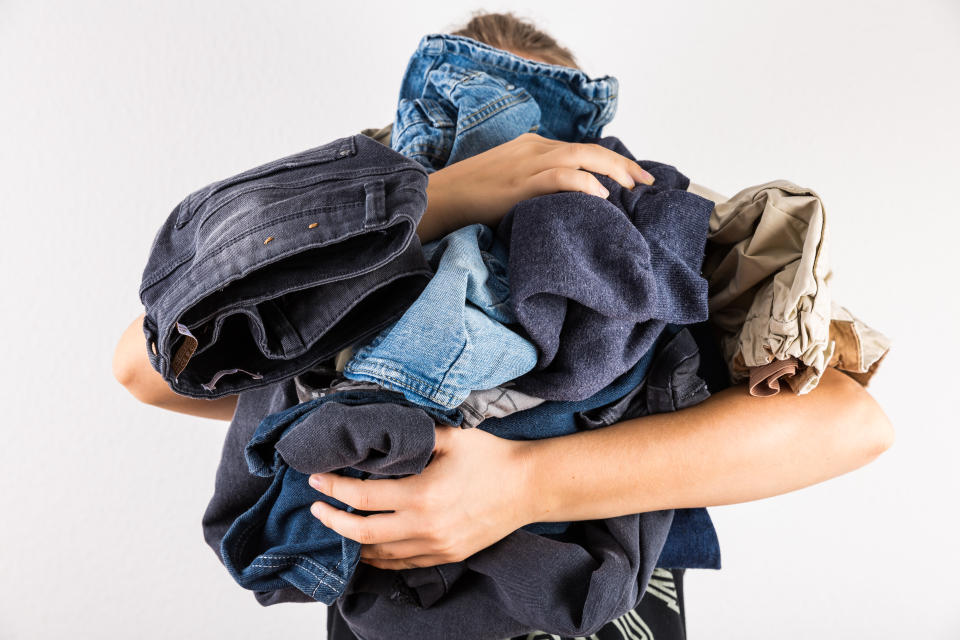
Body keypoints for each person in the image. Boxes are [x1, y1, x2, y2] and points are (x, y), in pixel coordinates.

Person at [113, 11, 895, 640]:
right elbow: (145, 364)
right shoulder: (338, 280)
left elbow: (854, 423)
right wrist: (432, 204)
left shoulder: (646, 236)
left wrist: (521, 487)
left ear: (579, 150)